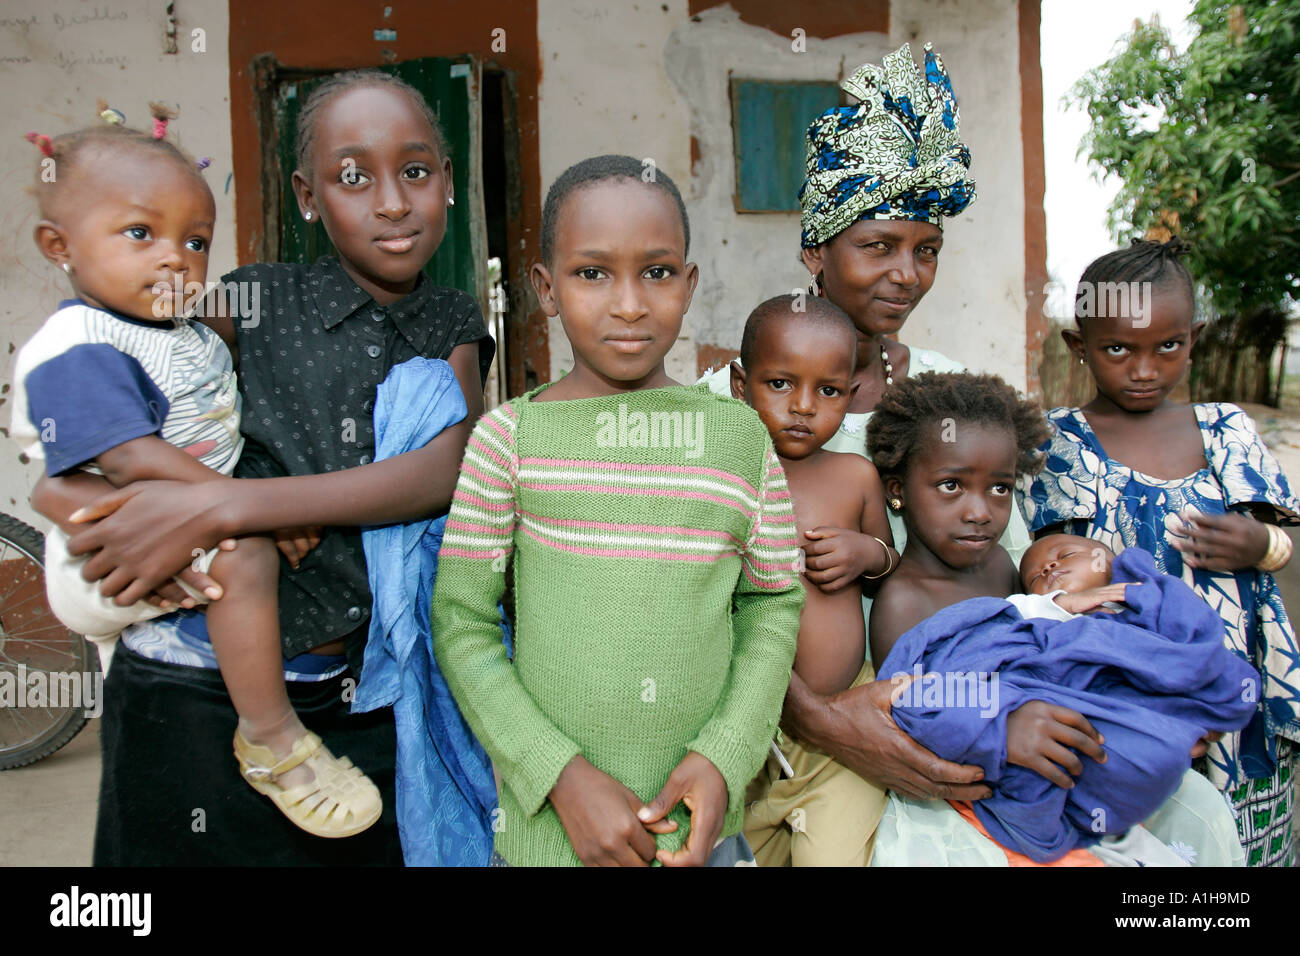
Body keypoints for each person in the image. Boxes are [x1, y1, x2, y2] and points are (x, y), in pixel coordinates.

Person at [31, 71, 492, 865]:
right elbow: (116, 385)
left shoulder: (450, 320)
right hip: (196, 687)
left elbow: (436, 473)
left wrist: (235, 507)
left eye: (415, 171)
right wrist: (61, 486)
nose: (390, 201)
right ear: (308, 198)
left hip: (367, 689)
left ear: (447, 184)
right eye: (353, 177)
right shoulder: (248, 301)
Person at [13, 103, 384, 840]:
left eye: (196, 240)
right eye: (140, 234)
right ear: (60, 246)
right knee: (246, 553)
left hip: (167, 528)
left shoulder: (185, 334)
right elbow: (127, 458)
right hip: (105, 555)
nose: (174, 257)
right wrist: (259, 510)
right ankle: (273, 739)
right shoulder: (80, 342)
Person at [432, 155, 804, 867]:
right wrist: (559, 777)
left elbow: (773, 603)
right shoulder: (508, 441)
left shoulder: (737, 439)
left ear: (689, 285)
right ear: (545, 287)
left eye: (657, 273)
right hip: (550, 839)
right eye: (592, 273)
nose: (629, 304)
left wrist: (724, 760)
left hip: (702, 836)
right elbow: (462, 622)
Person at [702, 42, 1020, 809]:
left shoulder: (950, 398)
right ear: (817, 247)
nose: (907, 274)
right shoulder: (729, 400)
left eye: (927, 250)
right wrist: (821, 718)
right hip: (748, 716)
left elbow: (989, 563)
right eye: (878, 245)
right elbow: (693, 581)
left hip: (917, 713)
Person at [868, 372, 1249, 867]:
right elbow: (913, 710)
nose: (980, 511)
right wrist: (1004, 727)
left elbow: (1045, 656)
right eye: (951, 486)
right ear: (897, 489)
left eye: (1000, 488)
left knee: (1194, 807)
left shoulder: (1005, 567)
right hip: (977, 798)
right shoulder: (904, 598)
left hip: (1069, 757)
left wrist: (1157, 707)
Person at [1020, 239, 1300, 867]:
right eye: (1119, 349)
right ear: (1080, 347)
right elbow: (1043, 574)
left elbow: (1288, 555)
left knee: (1248, 852)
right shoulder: (1056, 445)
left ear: (1194, 337)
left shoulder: (1229, 431)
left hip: (1239, 692)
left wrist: (1265, 545)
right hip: (1127, 703)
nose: (1144, 368)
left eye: (1167, 346)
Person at [727, 294, 897, 865]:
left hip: (846, 730)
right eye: (780, 384)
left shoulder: (855, 477)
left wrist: (863, 553)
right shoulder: (725, 481)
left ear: (849, 399)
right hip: (746, 732)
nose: (803, 406)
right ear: (739, 385)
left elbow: (889, 561)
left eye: (827, 391)